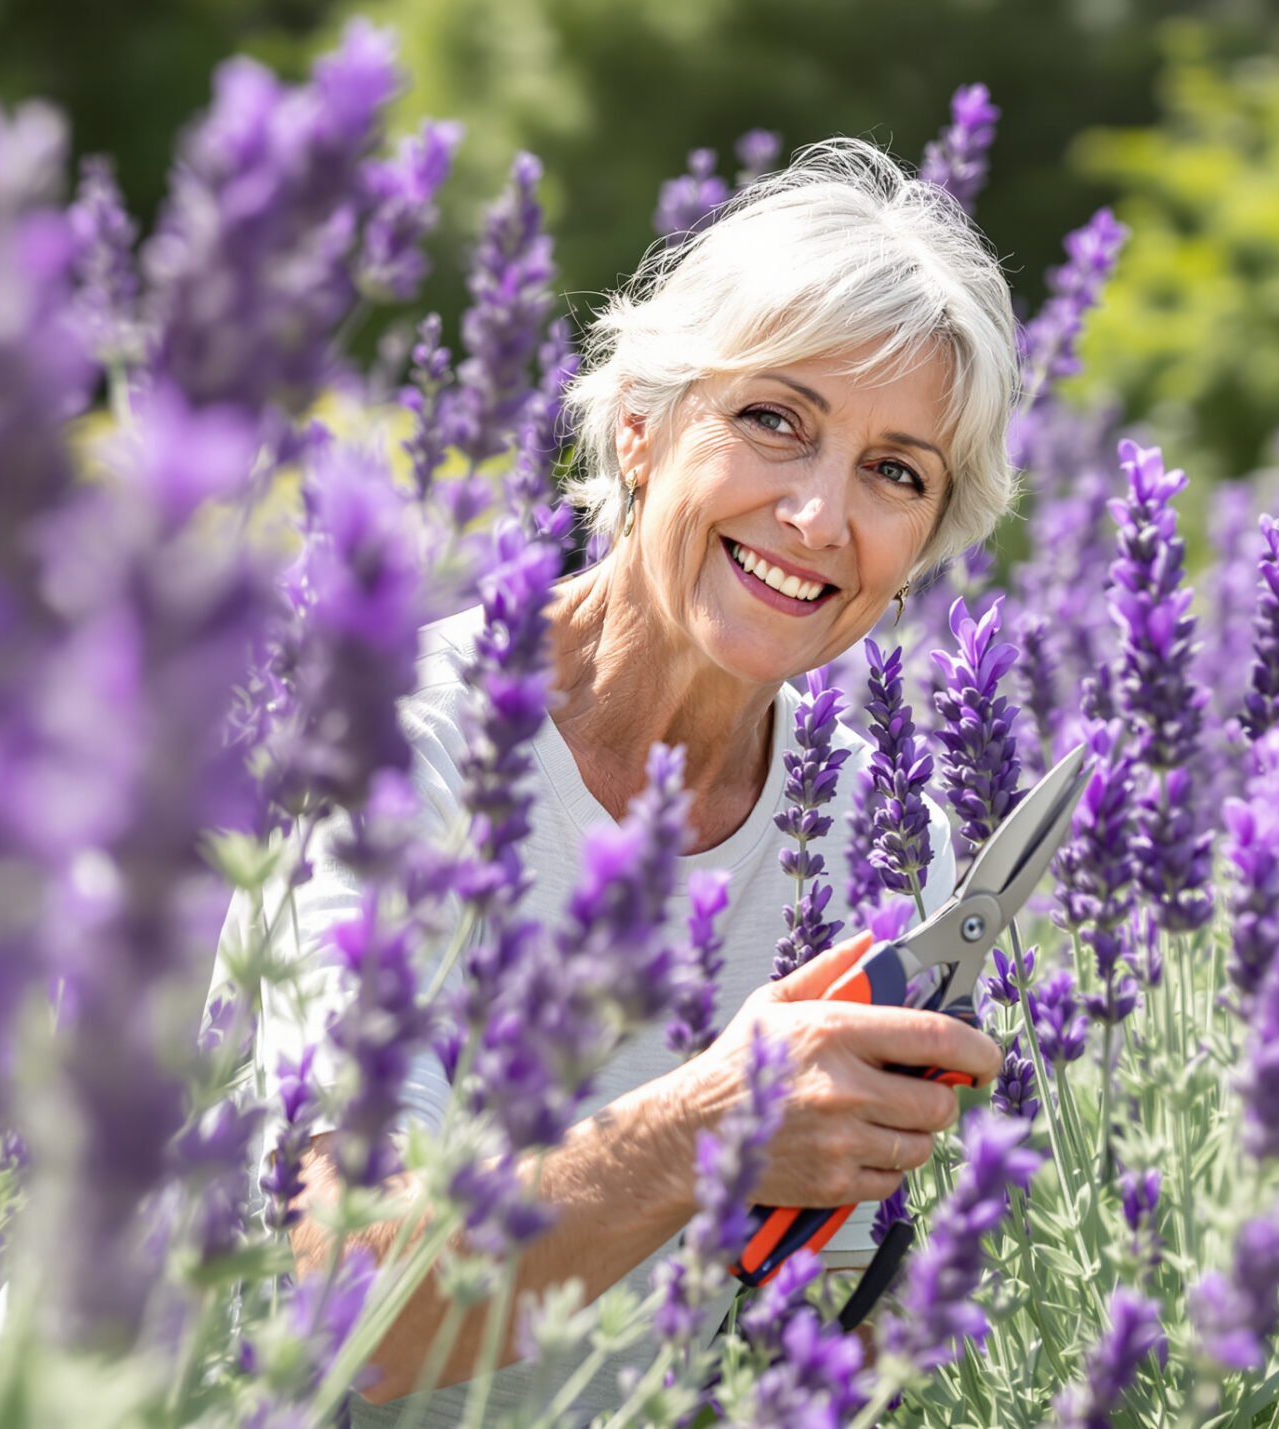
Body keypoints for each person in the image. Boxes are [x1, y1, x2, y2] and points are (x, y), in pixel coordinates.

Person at [224, 136, 1024, 1421]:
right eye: (775, 420)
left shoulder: (887, 844)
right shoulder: (398, 751)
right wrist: (711, 1123)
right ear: (643, 422)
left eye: (894, 472)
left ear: (927, 537)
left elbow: (832, 1325)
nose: (820, 516)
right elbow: (338, 1306)